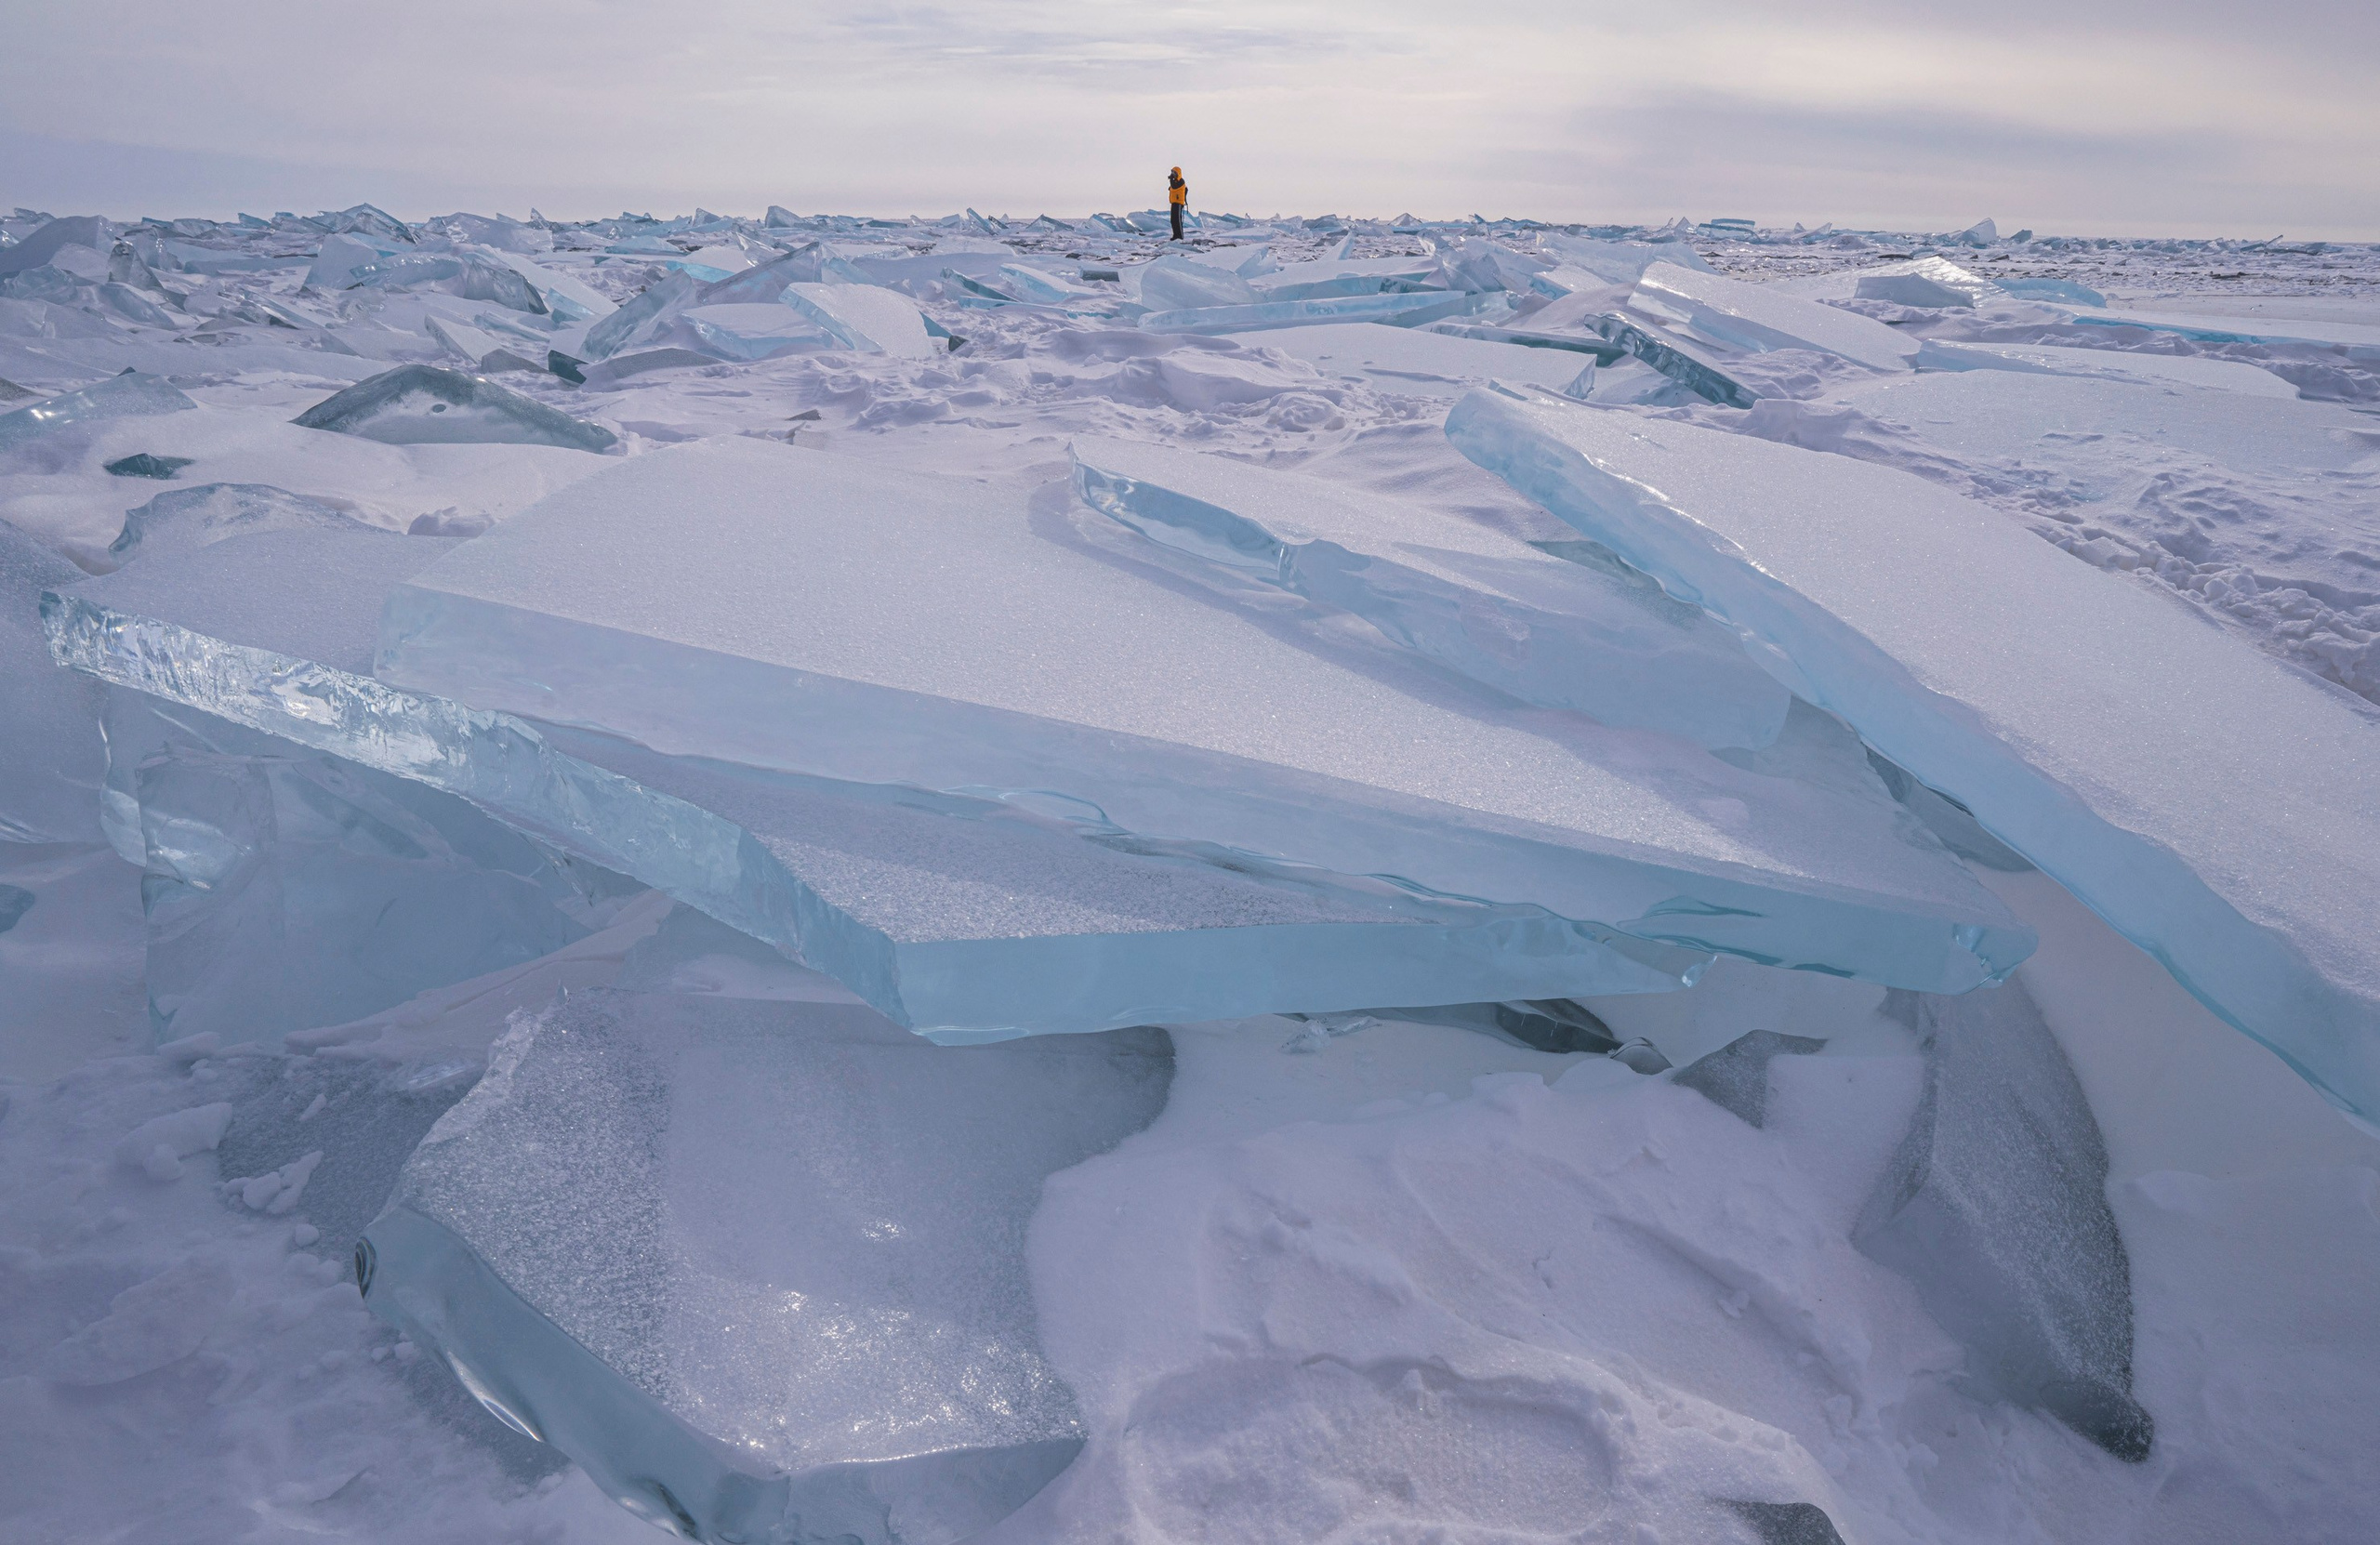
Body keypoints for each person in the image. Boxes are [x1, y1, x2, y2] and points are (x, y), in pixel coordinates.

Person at [1168, 166, 1186, 240]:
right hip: (1174, 202)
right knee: (1173, 220)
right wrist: (1172, 179)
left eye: (1174, 173)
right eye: (1172, 172)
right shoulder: (1174, 181)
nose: (1172, 174)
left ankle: (1180, 237)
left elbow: (1174, 187)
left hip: (1178, 203)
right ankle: (1175, 235)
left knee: (1178, 220)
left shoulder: (1181, 181)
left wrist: (1171, 179)